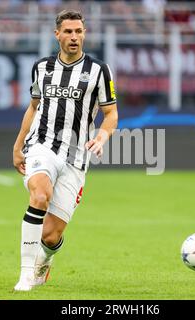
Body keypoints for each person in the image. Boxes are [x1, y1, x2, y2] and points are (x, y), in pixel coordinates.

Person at [12, 9, 118, 291]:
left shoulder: (99, 71)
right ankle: (25, 274)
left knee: (51, 234)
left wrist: (102, 136)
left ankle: (44, 261)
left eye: (79, 32)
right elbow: (34, 107)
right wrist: (18, 144)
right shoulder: (42, 67)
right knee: (40, 194)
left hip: (76, 156)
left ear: (84, 34)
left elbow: (111, 114)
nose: (74, 37)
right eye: (68, 32)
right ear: (57, 34)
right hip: (42, 145)